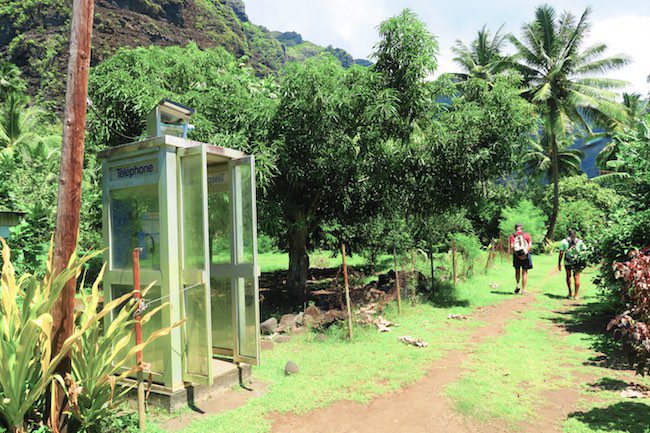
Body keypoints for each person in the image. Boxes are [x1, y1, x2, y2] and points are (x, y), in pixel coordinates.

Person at [558, 229, 586, 299]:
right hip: (577, 261)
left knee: (568, 276)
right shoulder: (579, 241)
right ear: (575, 234)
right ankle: (576, 295)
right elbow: (584, 250)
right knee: (577, 276)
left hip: (567, 261)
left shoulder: (564, 242)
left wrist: (559, 263)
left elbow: (561, 253)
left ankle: (570, 293)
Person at [509, 224, 533, 295]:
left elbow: (512, 246)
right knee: (525, 271)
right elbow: (530, 245)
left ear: (515, 229)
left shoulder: (512, 236)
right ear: (521, 228)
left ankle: (517, 284)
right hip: (525, 255)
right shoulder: (527, 235)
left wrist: (518, 256)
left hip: (517, 255)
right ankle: (524, 290)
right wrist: (525, 254)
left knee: (517, 270)